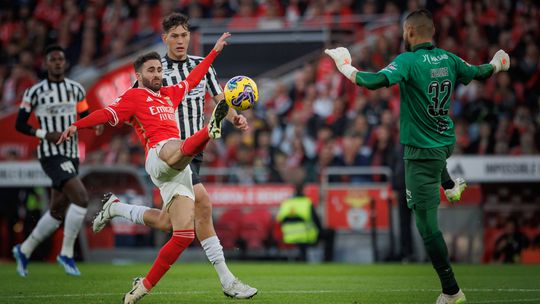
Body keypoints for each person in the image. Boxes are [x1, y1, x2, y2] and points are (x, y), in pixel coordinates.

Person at [325, 8, 510, 304]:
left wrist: (345, 65)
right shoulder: (449, 59)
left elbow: (372, 82)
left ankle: (451, 290)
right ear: (433, 32)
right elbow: (478, 72)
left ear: (409, 32)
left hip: (422, 153)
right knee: (437, 163)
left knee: (425, 225)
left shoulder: (407, 61)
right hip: (444, 141)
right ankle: (449, 185)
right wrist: (498, 64)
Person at [90, 13, 257, 299]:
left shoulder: (200, 67)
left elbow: (219, 100)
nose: (181, 41)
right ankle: (228, 281)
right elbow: (128, 102)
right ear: (165, 37)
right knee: (203, 205)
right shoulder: (155, 70)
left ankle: (116, 209)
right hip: (170, 151)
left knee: (169, 222)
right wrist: (102, 120)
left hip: (196, 151)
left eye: (184, 35)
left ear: (189, 36)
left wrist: (235, 118)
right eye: (175, 36)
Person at [58, 33, 232, 304]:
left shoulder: (168, 95)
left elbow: (194, 78)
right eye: (151, 70)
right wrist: (76, 126)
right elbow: (105, 113)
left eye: (159, 70)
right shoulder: (134, 96)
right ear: (138, 75)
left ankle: (141, 287)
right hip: (159, 157)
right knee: (175, 146)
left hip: (179, 166)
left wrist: (214, 53)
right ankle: (209, 131)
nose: (157, 74)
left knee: (181, 233)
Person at [12, 45, 104, 277]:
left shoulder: (75, 89)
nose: (57, 63)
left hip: (72, 154)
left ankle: (24, 250)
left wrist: (95, 122)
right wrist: (45, 134)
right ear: (46, 63)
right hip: (50, 153)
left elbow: (84, 115)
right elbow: (20, 124)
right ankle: (66, 253)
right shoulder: (34, 92)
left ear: (65, 63)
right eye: (53, 59)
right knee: (81, 198)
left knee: (57, 211)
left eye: (60, 59)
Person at [276, 184, 334, 262]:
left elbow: (279, 220)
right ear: (304, 191)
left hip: (289, 236)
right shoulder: (307, 203)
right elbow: (316, 221)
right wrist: (319, 230)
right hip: (306, 235)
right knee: (330, 233)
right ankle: (327, 261)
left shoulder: (286, 203)